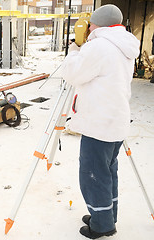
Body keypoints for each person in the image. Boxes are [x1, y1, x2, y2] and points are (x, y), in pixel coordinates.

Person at [62, 4, 140, 239]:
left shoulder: (99, 46)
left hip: (99, 124)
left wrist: (75, 51)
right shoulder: (123, 44)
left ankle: (102, 225)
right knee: (107, 172)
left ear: (97, 24)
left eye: (90, 24)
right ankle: (106, 215)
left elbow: (73, 73)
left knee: (93, 176)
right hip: (114, 122)